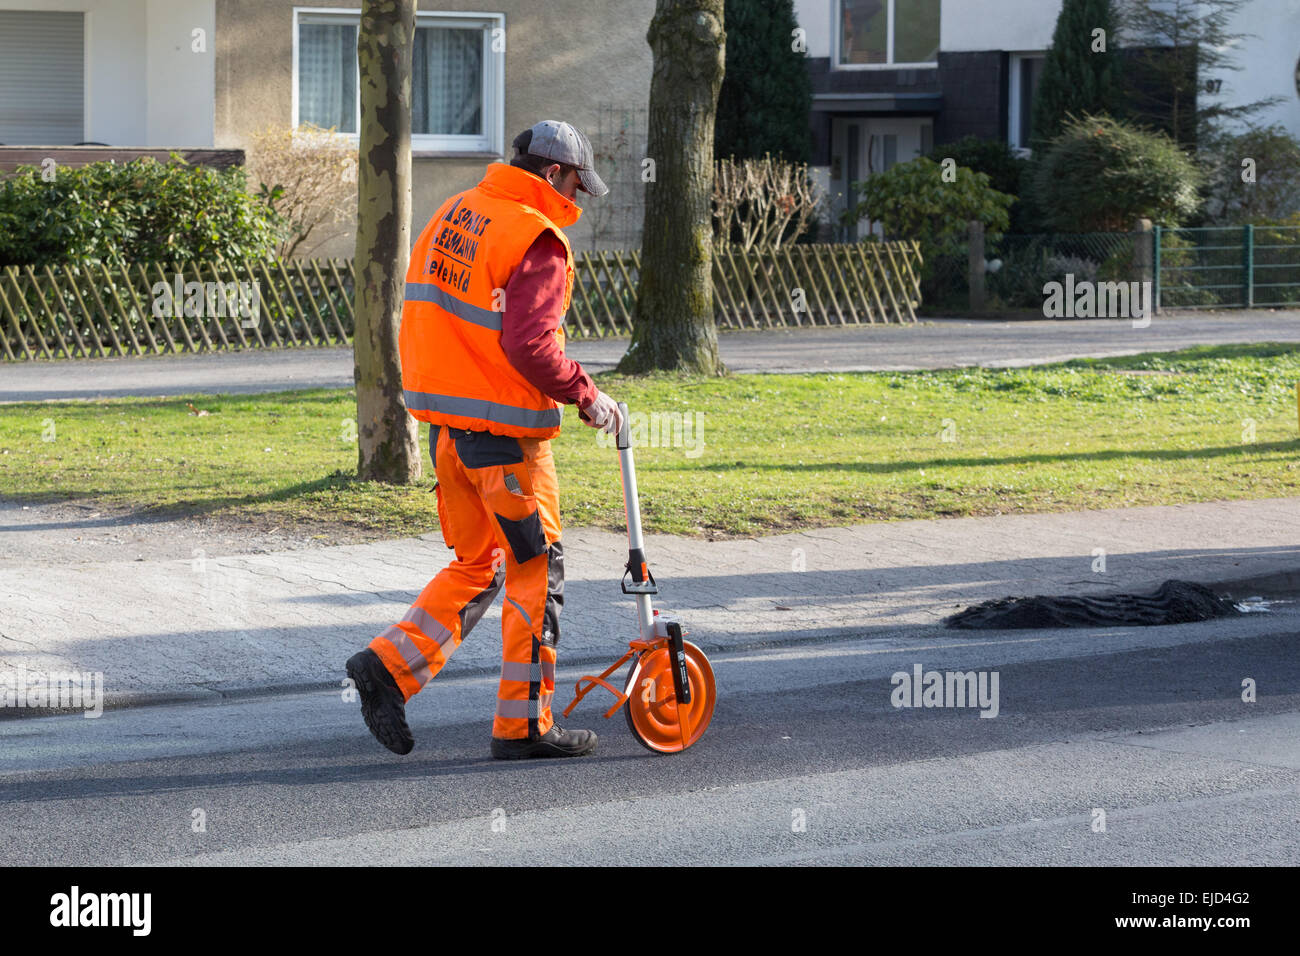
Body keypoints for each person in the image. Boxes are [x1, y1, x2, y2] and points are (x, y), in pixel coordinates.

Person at [346, 120, 623, 760]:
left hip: (448, 433)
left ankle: (385, 669)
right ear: (553, 173)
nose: (579, 200)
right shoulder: (536, 238)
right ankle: (523, 726)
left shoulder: (455, 212)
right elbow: (530, 344)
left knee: (479, 564)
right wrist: (586, 393)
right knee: (535, 570)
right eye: (578, 184)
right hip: (506, 444)